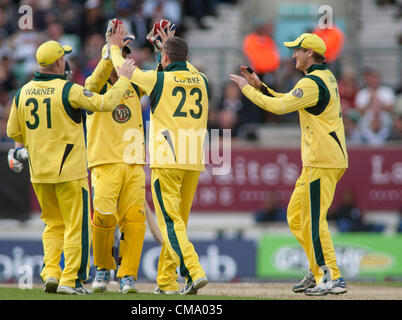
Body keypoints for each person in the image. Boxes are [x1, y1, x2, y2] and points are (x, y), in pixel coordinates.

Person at [6, 40, 136, 295]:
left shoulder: (22, 93)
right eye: (63, 57)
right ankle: (71, 280)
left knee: (53, 225)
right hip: (69, 172)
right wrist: (123, 80)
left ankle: (51, 273)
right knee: (76, 226)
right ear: (57, 62)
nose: (65, 60)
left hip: (39, 174)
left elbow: (14, 133)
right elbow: (105, 103)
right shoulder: (69, 90)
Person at [230, 33, 348, 296]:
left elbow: (280, 107)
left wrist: (247, 90)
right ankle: (317, 268)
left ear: (309, 52)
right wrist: (261, 87)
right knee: (296, 217)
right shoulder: (324, 76)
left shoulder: (312, 82)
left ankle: (331, 277)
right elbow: (288, 98)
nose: (292, 54)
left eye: (296, 50)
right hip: (320, 159)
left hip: (322, 159)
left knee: (315, 221)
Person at [109, 22, 209, 295]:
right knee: (177, 223)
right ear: (186, 58)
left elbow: (124, 70)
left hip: (168, 160)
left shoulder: (157, 79)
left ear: (164, 58)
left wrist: (115, 48)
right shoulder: (201, 78)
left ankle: (193, 271)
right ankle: (166, 281)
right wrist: (164, 48)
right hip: (193, 159)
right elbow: (180, 67)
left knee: (170, 223)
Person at [84, 34, 147, 294]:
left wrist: (159, 48)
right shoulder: (94, 86)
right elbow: (96, 79)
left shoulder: (134, 85)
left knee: (134, 220)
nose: (126, 59)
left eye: (126, 54)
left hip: (133, 163)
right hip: (105, 162)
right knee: (103, 218)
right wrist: (110, 54)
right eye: (120, 54)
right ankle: (102, 267)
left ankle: (128, 275)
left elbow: (158, 78)